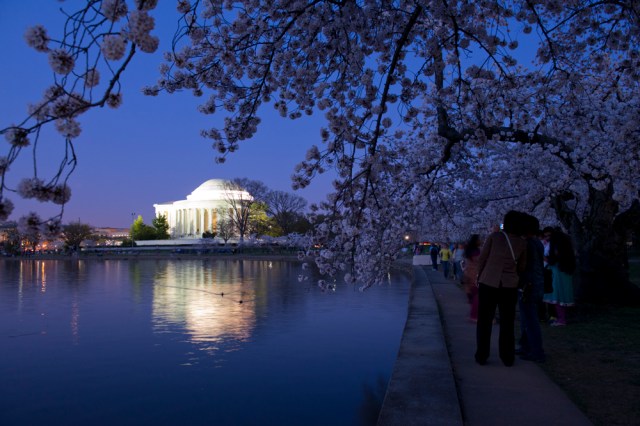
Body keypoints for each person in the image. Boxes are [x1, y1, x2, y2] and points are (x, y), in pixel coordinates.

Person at [475, 211, 527, 367]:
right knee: (507, 322)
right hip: (509, 285)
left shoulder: (495, 237)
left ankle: (482, 356)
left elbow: (482, 258)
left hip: (489, 282)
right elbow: (522, 266)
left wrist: (480, 276)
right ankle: (507, 357)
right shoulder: (522, 243)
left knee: (484, 321)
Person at [517, 214, 546, 362]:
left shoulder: (527, 244)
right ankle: (526, 346)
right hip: (536, 283)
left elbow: (523, 266)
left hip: (528, 285)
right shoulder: (537, 242)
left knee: (530, 319)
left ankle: (536, 351)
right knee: (527, 317)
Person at [543, 229, 576, 326]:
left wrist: (544, 257)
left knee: (557, 296)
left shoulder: (557, 247)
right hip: (565, 271)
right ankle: (561, 318)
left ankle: (561, 319)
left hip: (557, 272)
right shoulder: (568, 248)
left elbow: (552, 260)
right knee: (562, 295)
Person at [462, 235, 482, 322]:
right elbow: (479, 262)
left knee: (472, 296)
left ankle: (473, 314)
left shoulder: (468, 251)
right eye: (479, 240)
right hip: (475, 275)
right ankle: (474, 316)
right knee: (477, 296)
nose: (480, 241)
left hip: (468, 274)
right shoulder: (476, 252)